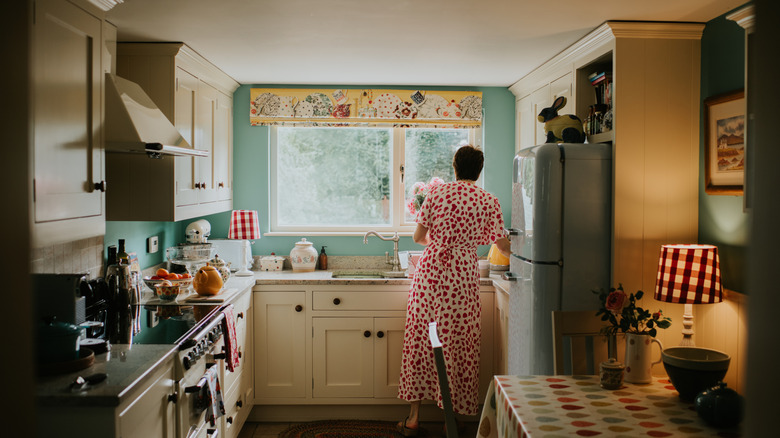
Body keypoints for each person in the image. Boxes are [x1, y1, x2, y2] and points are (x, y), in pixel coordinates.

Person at [397, 145, 511, 436]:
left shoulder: (436, 193)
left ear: (455, 166)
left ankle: (413, 417)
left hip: (431, 274)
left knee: (422, 339)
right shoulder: (488, 200)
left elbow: (418, 236)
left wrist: (439, 245)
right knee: (459, 343)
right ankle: (455, 418)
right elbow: (502, 245)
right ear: (479, 169)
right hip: (462, 276)